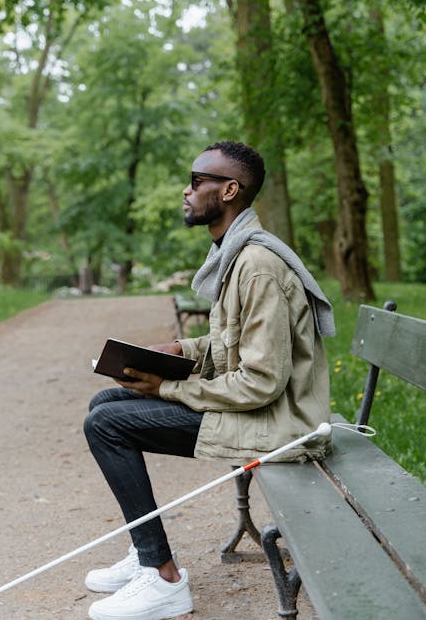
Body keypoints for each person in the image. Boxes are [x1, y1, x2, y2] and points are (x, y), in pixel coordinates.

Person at [83, 140, 335, 620]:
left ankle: (163, 579)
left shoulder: (258, 266)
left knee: (106, 426)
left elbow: (261, 382)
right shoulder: (236, 253)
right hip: (261, 411)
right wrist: (182, 352)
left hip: (282, 426)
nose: (187, 190)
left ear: (230, 190)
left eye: (198, 181)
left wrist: (169, 388)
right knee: (104, 404)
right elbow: (230, 341)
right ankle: (145, 553)